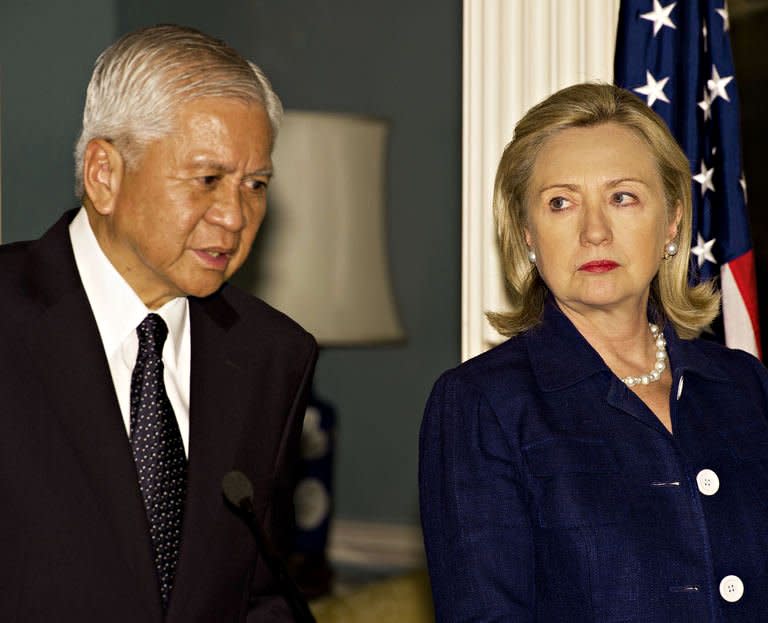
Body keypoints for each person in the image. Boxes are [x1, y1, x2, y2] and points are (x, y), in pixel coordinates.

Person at [0, 25, 317, 622]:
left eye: (256, 185)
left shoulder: (273, 355)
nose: (234, 215)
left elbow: (259, 594)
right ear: (105, 174)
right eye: (208, 179)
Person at [419, 82, 768, 622]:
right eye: (560, 203)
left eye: (622, 197)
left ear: (673, 220)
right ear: (528, 233)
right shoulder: (482, 404)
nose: (594, 232)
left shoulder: (746, 385)